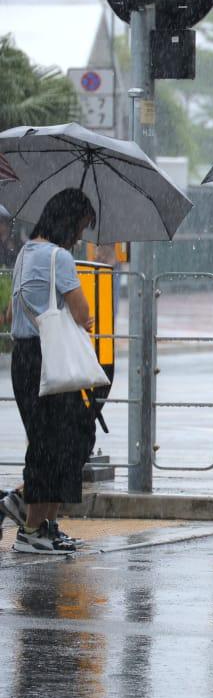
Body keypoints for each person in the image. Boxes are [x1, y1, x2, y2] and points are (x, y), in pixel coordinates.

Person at [8, 189, 98, 554]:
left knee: (48, 442)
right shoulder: (59, 257)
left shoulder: (26, 253)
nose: (79, 236)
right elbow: (82, 312)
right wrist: (85, 317)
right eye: (80, 227)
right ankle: (32, 529)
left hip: (24, 359)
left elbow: (14, 313)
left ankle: (43, 524)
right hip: (49, 358)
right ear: (67, 222)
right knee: (62, 443)